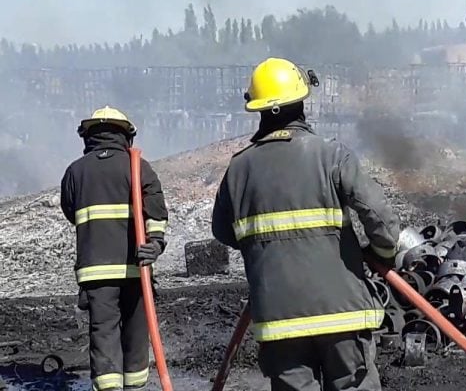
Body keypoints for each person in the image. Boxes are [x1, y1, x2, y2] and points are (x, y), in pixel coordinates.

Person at [212, 57, 402, 391]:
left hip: (279, 318)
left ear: (256, 107)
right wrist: (382, 253)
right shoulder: (331, 155)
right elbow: (380, 218)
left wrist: (266, 250)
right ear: (302, 101)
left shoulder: (238, 169)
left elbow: (223, 231)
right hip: (341, 313)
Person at [60, 106, 169, 391]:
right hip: (136, 268)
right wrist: (155, 244)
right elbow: (156, 212)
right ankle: (135, 387)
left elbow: (71, 213)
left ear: (88, 137)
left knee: (103, 333)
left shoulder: (75, 172)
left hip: (96, 272)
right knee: (136, 335)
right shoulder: (138, 167)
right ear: (125, 135)